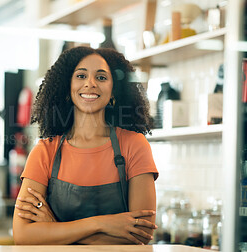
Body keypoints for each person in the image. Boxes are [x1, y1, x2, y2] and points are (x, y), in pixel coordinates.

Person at [12, 46, 158, 245]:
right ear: (67, 87)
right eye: (81, 76)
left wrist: (54, 228)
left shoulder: (134, 145)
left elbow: (140, 235)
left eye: (101, 77)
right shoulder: (44, 152)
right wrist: (100, 224)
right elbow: (23, 235)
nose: (90, 84)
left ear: (113, 90)